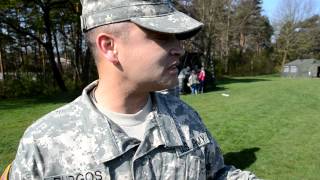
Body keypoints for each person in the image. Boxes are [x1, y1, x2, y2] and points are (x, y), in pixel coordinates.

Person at [5, 0, 258, 179]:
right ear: (109, 46)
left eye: (178, 38)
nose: (179, 49)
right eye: (162, 36)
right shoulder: (45, 143)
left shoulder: (186, 120)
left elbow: (216, 174)